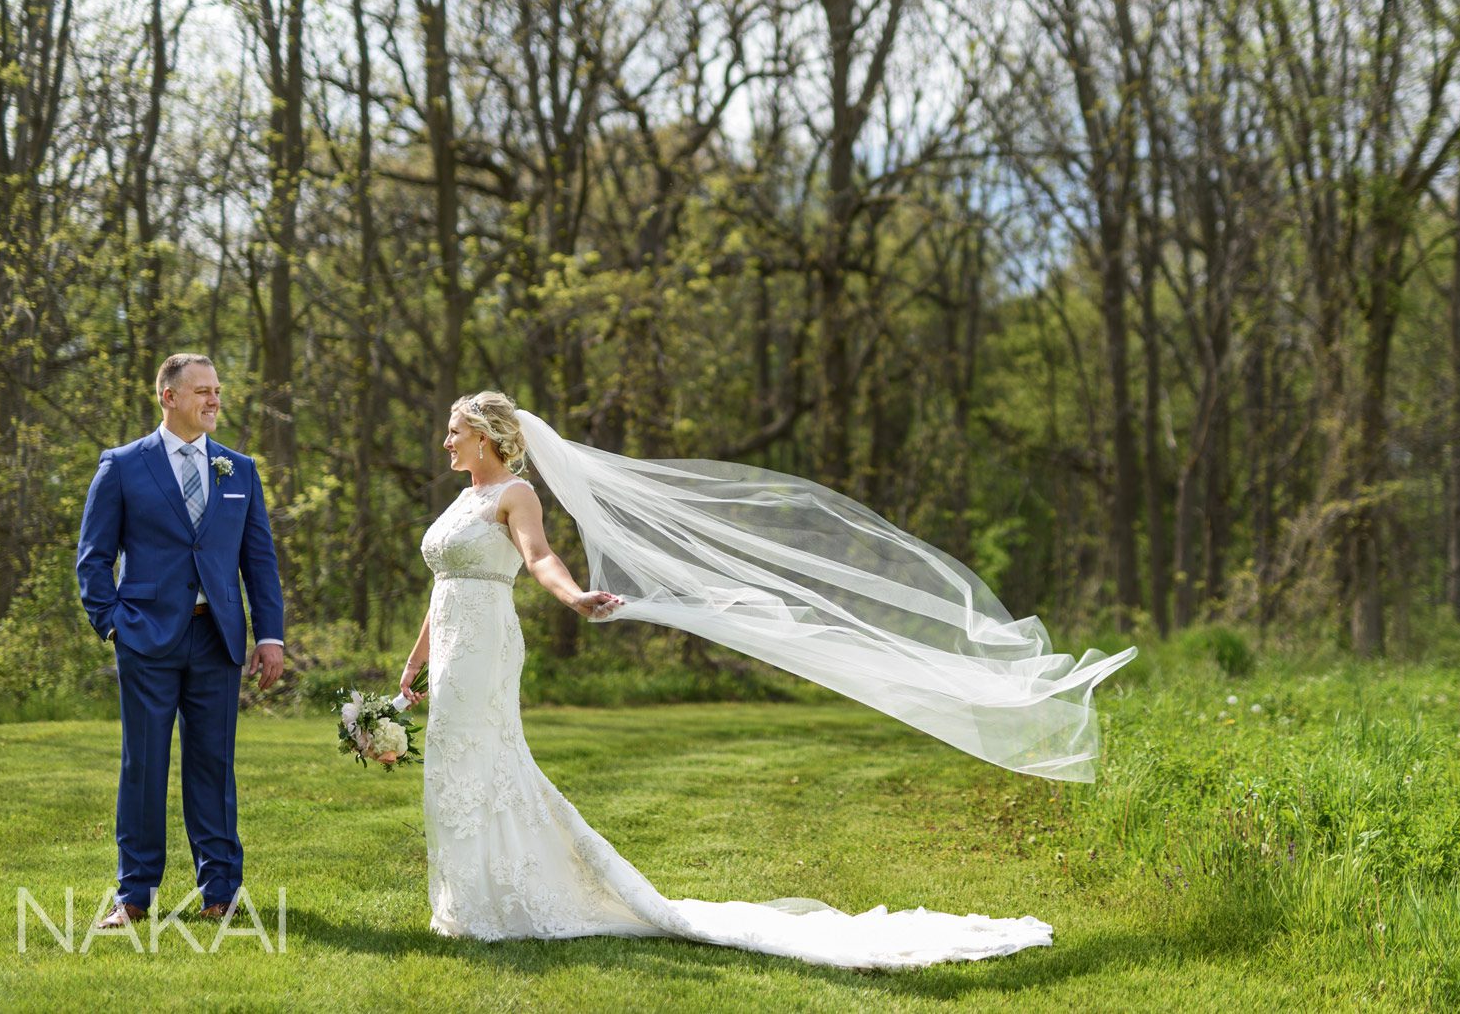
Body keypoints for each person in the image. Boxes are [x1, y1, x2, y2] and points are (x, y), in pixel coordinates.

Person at [398, 391, 1062, 968]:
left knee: (479, 756)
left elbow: (539, 558)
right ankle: (469, 900)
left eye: (454, 430)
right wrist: (416, 657)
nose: (446, 440)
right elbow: (444, 588)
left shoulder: (515, 494)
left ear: (483, 436)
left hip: (486, 646)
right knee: (454, 764)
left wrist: (572, 596)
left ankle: (499, 904)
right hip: (452, 640)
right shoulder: (464, 500)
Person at [74, 353, 286, 927]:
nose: (214, 400)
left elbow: (259, 561)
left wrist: (270, 635)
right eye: (202, 391)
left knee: (214, 767)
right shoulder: (121, 466)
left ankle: (219, 891)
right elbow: (93, 559)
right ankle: (134, 896)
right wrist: (113, 623)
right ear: (169, 397)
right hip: (146, 638)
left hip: (217, 639)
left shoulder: (238, 469)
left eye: (217, 390)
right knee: (143, 766)